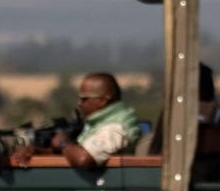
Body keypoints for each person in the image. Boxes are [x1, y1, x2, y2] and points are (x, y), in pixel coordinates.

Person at [9, 71, 139, 169]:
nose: (79, 103)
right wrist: (36, 150)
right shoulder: (99, 125)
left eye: (84, 98)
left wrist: (63, 143)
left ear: (102, 100)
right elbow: (73, 155)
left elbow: (84, 158)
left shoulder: (114, 128)